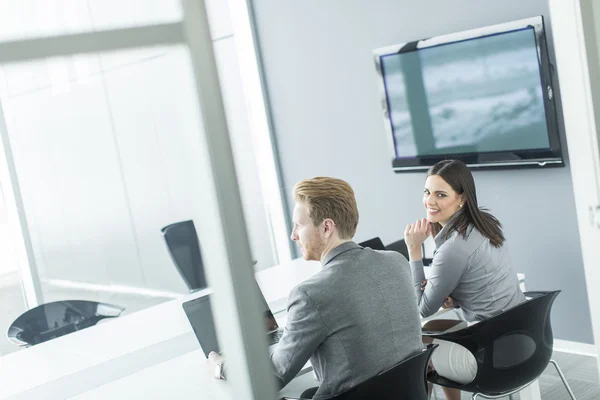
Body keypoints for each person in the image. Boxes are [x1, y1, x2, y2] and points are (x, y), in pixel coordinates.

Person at [210, 176, 423, 400]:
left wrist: (221, 366)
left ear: (326, 227)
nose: (293, 235)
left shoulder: (310, 295)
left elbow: (273, 377)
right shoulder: (396, 261)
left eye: (299, 225)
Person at [404, 159, 526, 400]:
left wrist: (414, 250)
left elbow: (424, 308)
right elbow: (484, 281)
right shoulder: (486, 224)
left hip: (494, 356)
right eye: (427, 192)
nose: (430, 201)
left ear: (461, 198)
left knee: (417, 355)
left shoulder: (453, 248)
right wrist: (459, 297)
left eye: (440, 194)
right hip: (525, 340)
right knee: (431, 332)